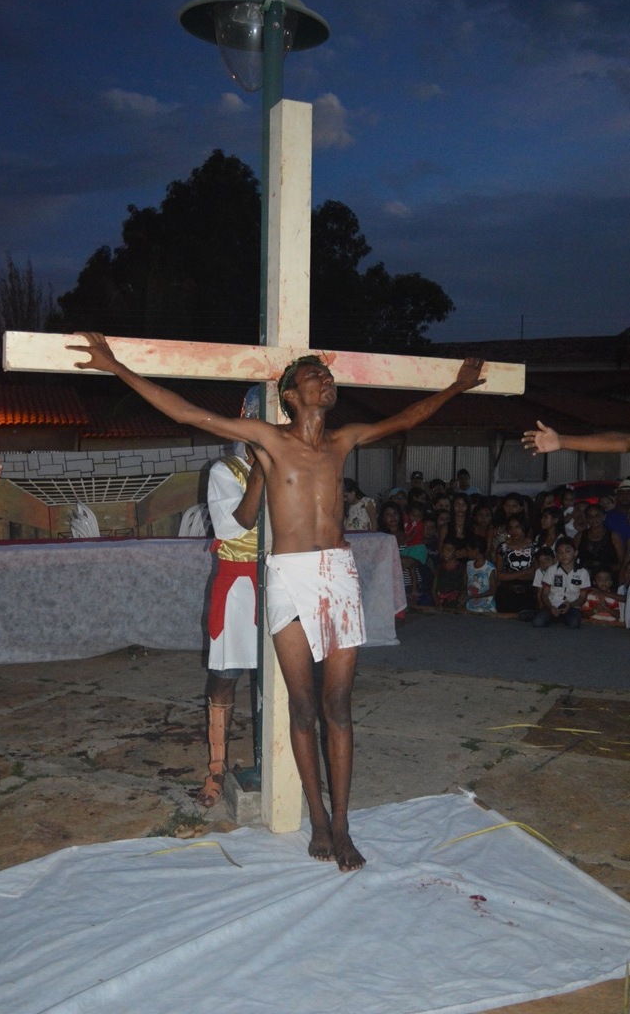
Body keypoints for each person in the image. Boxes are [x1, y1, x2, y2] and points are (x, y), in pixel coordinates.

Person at [68, 333, 486, 872]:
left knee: (339, 705)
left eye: (327, 376)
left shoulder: (344, 440)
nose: (326, 381)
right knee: (304, 704)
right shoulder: (267, 439)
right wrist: (115, 366)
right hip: (288, 576)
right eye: (315, 376)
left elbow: (405, 420)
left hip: (336, 574)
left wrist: (456, 386)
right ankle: (316, 817)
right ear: (291, 394)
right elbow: (190, 413)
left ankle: (342, 825)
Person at [197, 389, 265, 809]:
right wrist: (262, 468)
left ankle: (277, 760)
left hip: (278, 582)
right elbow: (233, 527)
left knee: (279, 678)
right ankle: (218, 766)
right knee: (227, 674)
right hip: (238, 588)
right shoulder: (225, 470)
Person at [532, 537, 590, 629]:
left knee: (574, 623)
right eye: (560, 553)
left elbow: (582, 597)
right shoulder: (552, 570)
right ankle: (551, 615)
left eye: (568, 551)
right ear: (557, 556)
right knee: (537, 622)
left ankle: (557, 617)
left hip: (571, 605)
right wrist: (550, 607)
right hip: (553, 604)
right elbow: (545, 594)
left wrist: (570, 605)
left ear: (575, 553)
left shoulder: (583, 572)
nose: (564, 555)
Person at [494, 514, 536, 613]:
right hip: (506, 592)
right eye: (510, 528)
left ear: (524, 527)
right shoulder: (502, 548)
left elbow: (535, 575)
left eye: (517, 527)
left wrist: (509, 576)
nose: (514, 531)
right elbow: (499, 575)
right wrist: (523, 572)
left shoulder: (534, 547)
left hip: (528, 593)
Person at [574, 503, 624, 578]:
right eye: (590, 516)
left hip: (608, 579)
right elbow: (572, 557)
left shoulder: (614, 536)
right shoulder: (579, 536)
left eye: (597, 516)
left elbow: (622, 561)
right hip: (584, 577)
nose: (593, 519)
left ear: (604, 517)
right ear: (586, 518)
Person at [464, 536, 497, 614]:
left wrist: (473, 596)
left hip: (487, 608)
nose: (466, 552)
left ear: (476, 550)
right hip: (471, 607)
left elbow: (492, 591)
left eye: (468, 550)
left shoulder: (489, 568)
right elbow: (466, 582)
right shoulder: (469, 565)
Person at [432, 540, 466, 610]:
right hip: (440, 602)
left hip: (456, 603)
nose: (445, 552)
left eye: (448, 550)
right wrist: (437, 602)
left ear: (456, 552)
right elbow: (433, 588)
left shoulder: (462, 568)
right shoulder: (439, 568)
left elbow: (465, 588)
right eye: (443, 549)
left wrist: (461, 602)